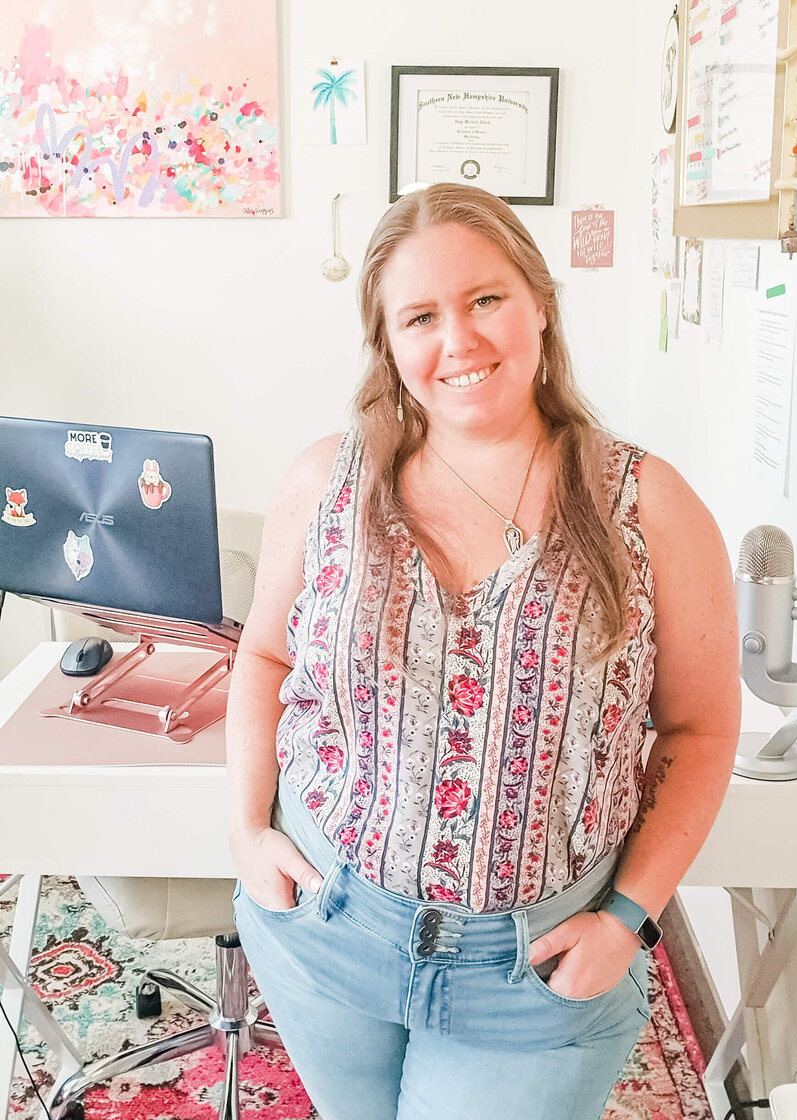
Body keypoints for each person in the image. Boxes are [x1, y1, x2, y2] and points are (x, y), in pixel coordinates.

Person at [225, 183, 741, 1120]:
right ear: (390, 347)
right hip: (325, 924)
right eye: (420, 316)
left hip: (531, 971)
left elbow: (701, 730)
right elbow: (264, 659)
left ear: (539, 301)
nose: (457, 341)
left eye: (485, 299)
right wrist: (248, 835)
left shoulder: (649, 506)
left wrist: (628, 919)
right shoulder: (325, 482)